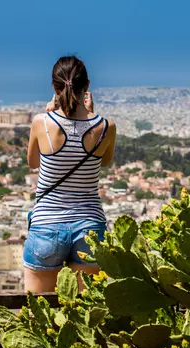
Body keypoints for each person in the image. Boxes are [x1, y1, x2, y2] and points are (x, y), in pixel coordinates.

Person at [24, 55, 116, 292]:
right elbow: (105, 161)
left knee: (39, 313)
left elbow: (33, 163)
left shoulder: (41, 122)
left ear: (54, 88)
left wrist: (50, 113)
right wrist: (90, 116)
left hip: (47, 224)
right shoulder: (106, 127)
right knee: (86, 312)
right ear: (86, 87)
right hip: (90, 227)